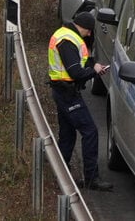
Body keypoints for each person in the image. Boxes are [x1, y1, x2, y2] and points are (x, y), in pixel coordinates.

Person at [47, 12, 114, 191]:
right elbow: (75, 72)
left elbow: (78, 64)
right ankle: (92, 178)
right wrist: (95, 70)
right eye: (90, 31)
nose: (90, 35)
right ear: (84, 27)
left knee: (68, 134)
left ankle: (61, 174)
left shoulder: (66, 34)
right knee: (90, 131)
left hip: (62, 91)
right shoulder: (68, 41)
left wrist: (91, 65)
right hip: (67, 93)